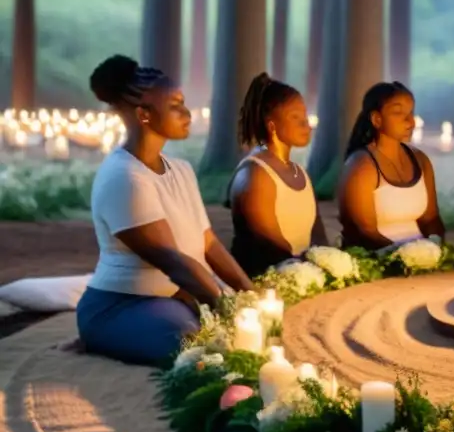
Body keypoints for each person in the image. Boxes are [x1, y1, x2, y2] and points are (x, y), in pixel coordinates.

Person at [76, 55, 254, 367]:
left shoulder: (181, 169)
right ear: (144, 114)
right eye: (175, 105)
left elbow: (208, 243)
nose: (186, 113)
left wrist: (250, 294)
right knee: (198, 347)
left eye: (183, 103)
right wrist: (227, 306)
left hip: (175, 297)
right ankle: (104, 336)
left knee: (234, 331)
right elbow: (172, 260)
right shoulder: (125, 177)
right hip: (121, 305)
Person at [228, 73, 327, 277]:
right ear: (271, 125)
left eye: (305, 116)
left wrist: (327, 263)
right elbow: (267, 243)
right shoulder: (255, 174)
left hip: (305, 274)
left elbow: (318, 233)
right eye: (295, 117)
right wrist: (304, 269)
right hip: (266, 281)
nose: (306, 125)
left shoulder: (300, 172)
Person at [338, 82, 445, 249]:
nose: (410, 121)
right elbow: (366, 231)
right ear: (377, 119)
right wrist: (405, 256)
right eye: (398, 112)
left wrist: (436, 247)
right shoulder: (361, 166)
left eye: (411, 112)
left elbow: (430, 218)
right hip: (377, 259)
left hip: (422, 257)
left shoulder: (420, 160)